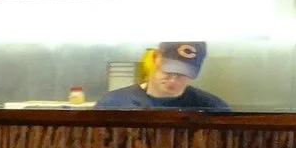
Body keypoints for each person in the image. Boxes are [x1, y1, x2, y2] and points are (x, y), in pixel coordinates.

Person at [96, 41, 230, 112]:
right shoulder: (112, 103)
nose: (173, 80)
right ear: (155, 58)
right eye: (169, 71)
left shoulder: (213, 107)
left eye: (183, 74)